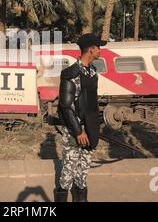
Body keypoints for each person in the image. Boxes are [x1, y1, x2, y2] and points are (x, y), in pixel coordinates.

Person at [54, 33, 107, 202]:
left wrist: (94, 127)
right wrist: (78, 132)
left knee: (83, 172)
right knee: (68, 172)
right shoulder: (71, 74)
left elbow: (91, 103)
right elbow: (66, 106)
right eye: (98, 47)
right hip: (74, 131)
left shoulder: (92, 72)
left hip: (90, 129)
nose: (100, 50)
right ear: (90, 50)